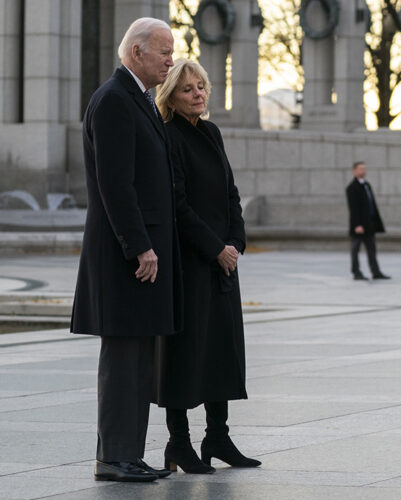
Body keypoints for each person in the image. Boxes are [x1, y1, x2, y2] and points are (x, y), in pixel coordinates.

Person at [70, 18, 180, 482]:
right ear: (137, 52)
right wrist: (140, 246)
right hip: (126, 259)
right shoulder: (115, 100)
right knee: (123, 361)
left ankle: (128, 455)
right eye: (163, 52)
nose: (170, 60)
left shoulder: (137, 99)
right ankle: (114, 458)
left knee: (138, 360)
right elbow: (116, 187)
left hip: (139, 256)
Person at [153, 59, 260, 474]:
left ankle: (218, 437)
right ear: (171, 97)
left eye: (201, 86)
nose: (198, 94)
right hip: (190, 264)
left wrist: (234, 244)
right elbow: (176, 204)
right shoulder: (167, 136)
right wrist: (215, 248)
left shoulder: (211, 133)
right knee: (185, 354)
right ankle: (178, 444)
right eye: (188, 89)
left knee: (222, 350)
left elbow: (231, 194)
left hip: (222, 264)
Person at [346, 161, 390, 280]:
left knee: (372, 249)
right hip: (359, 225)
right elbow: (353, 209)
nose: (363, 171)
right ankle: (356, 272)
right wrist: (357, 225)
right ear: (354, 171)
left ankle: (375, 271)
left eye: (364, 169)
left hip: (369, 223)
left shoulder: (367, 185)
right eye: (360, 169)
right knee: (355, 249)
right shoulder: (352, 188)